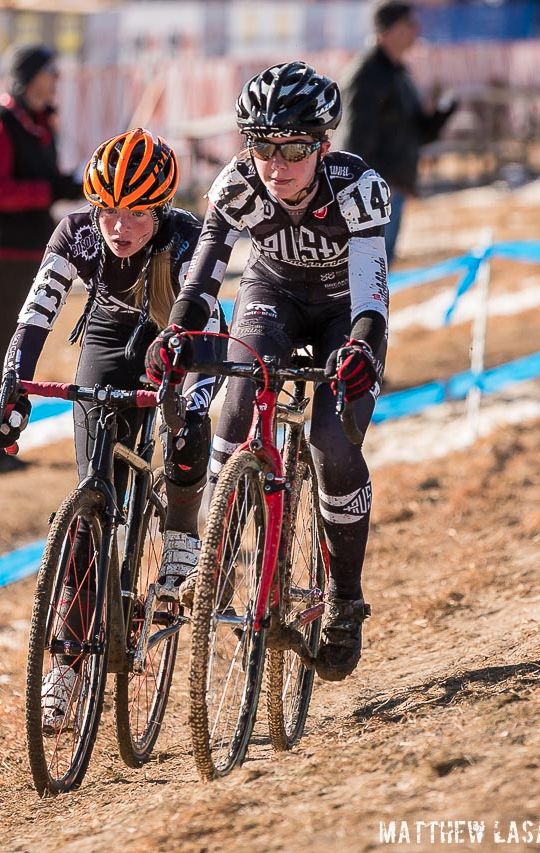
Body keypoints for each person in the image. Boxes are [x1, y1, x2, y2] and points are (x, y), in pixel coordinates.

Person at [145, 61, 391, 683]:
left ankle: (344, 597)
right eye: (261, 146)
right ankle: (218, 555)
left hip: (343, 315)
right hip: (273, 297)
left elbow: (370, 296)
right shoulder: (237, 187)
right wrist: (178, 331)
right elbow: (202, 279)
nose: (276, 165)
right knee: (234, 401)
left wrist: (361, 347)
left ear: (323, 146)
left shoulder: (357, 188)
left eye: (293, 149)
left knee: (332, 441)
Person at [0, 129, 222, 730]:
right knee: (95, 489)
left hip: (180, 332)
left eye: (137, 214)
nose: (119, 228)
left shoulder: (188, 238)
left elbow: (208, 330)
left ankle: (180, 537)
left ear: (160, 209)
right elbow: (34, 317)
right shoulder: (76, 235)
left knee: (189, 429)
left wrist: (191, 406)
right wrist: (12, 387)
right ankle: (66, 656)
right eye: (109, 212)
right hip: (111, 335)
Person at [0, 43, 85, 475]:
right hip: (2, 255)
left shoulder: (39, 125)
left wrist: (73, 184)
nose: (56, 81)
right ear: (29, 77)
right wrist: (48, 192)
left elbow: (44, 182)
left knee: (14, 357)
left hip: (31, 252)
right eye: (50, 72)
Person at [340, 1, 457, 266]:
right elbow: (354, 142)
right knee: (364, 270)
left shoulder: (398, 73)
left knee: (380, 269)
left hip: (392, 187)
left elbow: (415, 133)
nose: (417, 30)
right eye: (409, 24)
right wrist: (367, 189)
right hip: (376, 191)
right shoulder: (368, 74)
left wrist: (440, 115)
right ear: (389, 29)